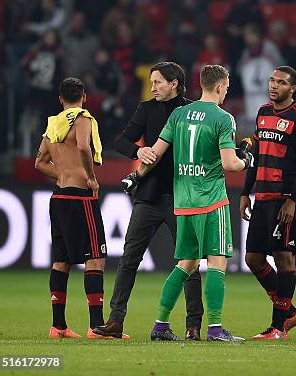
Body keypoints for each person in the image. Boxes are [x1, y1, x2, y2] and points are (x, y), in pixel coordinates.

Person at [122, 64, 253, 342]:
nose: (226, 92)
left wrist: (135, 176)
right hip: (211, 199)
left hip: (183, 201)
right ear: (219, 87)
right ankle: (216, 329)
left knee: (186, 263)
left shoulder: (179, 115)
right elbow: (230, 164)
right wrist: (246, 163)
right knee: (217, 262)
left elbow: (154, 154)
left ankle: (160, 325)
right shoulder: (223, 118)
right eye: (226, 88)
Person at [93, 62, 204, 340]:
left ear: (174, 83)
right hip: (149, 197)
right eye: (152, 82)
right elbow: (121, 142)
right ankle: (115, 321)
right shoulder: (146, 109)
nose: (152, 87)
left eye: (158, 82)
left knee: (189, 263)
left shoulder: (192, 111)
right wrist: (138, 151)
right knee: (129, 259)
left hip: (183, 197)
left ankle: (194, 326)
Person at [240, 66, 296, 340]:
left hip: (285, 200)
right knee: (253, 258)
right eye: (272, 80)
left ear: (292, 88)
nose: (274, 85)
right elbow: (256, 155)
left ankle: (278, 325)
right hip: (262, 197)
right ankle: (290, 311)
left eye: (281, 82)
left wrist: (292, 199)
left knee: (284, 258)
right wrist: (245, 192)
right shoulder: (263, 112)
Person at [34, 77, 109, 339]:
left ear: (60, 99)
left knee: (61, 260)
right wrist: (89, 177)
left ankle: (58, 326)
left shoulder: (53, 124)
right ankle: (97, 326)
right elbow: (81, 146)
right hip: (81, 197)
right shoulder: (83, 118)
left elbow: (40, 162)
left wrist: (63, 174)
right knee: (95, 259)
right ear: (84, 97)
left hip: (59, 198)